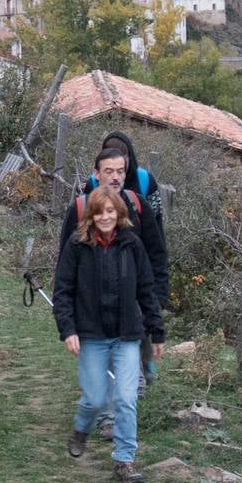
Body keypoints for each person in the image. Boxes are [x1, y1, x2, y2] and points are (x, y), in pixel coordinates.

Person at [53, 186, 164, 483]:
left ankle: (124, 461)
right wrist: (68, 330)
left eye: (111, 211)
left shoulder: (132, 244)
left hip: (127, 335)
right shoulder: (77, 246)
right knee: (95, 398)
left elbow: (146, 289)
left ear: (119, 214)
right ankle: (81, 428)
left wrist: (156, 331)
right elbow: (62, 291)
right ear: (91, 215)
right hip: (91, 335)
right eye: (99, 212)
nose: (105, 217)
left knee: (126, 399)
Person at [60, 147, 169, 423]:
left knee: (125, 367)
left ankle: (122, 443)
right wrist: (68, 319)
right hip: (90, 305)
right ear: (96, 174)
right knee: (101, 368)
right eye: (109, 171)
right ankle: (104, 415)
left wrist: (157, 297)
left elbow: (156, 254)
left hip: (130, 302)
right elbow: (65, 262)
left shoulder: (138, 205)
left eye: (121, 171)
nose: (116, 177)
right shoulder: (81, 208)